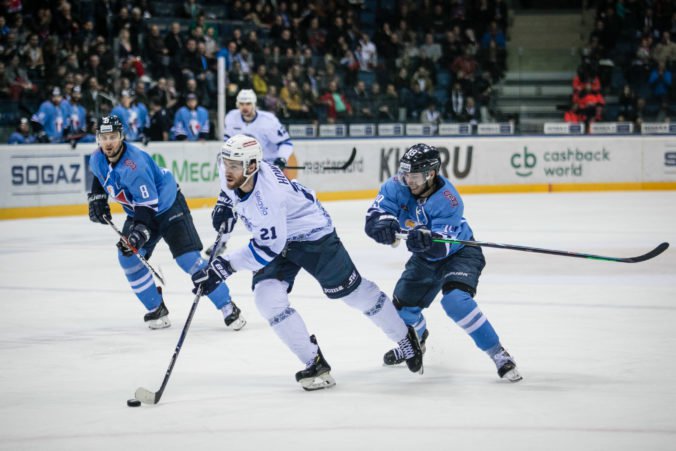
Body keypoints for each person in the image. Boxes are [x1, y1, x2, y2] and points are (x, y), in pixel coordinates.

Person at [191, 134, 424, 391]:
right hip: (278, 235)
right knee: (267, 298)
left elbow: (267, 249)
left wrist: (221, 268)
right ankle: (315, 363)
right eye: (226, 163)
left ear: (252, 166)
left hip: (312, 233)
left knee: (353, 293)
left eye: (235, 165)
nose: (227, 169)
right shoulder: (232, 168)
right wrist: (224, 202)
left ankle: (405, 337)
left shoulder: (269, 199)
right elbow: (230, 190)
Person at [364, 143, 522, 383]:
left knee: (456, 302)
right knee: (402, 313)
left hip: (461, 252)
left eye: (414, 176)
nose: (408, 181)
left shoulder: (449, 199)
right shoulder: (396, 185)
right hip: (425, 258)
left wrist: (426, 241)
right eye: (405, 174)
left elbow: (442, 247)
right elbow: (375, 215)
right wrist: (381, 226)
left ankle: (498, 353)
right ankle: (416, 341)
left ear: (431, 174)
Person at [86, 115, 247, 331]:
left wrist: (139, 231)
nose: (108, 142)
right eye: (104, 137)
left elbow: (147, 205)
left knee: (188, 260)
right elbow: (100, 175)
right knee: (128, 258)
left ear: (122, 137)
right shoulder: (96, 158)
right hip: (139, 211)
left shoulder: (135, 164)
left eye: (113, 137)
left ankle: (227, 306)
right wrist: (96, 197)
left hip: (167, 206)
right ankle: (156, 308)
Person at [223, 89, 292, 169]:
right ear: (237, 104)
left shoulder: (268, 120)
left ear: (254, 104)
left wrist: (282, 158)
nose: (244, 107)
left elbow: (286, 142)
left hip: (268, 163)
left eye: (248, 104)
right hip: (244, 164)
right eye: (241, 104)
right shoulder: (232, 117)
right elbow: (227, 140)